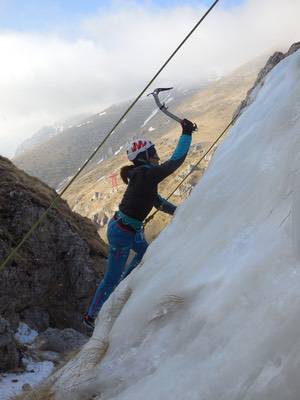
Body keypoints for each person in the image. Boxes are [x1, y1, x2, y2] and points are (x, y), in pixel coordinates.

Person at [83, 118, 195, 329]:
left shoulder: (143, 176)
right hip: (123, 233)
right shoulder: (147, 174)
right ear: (144, 156)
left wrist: (178, 211)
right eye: (153, 152)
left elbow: (156, 202)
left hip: (125, 228)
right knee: (111, 277)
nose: (157, 155)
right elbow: (174, 162)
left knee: (145, 254)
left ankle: (128, 283)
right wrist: (186, 133)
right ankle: (90, 316)